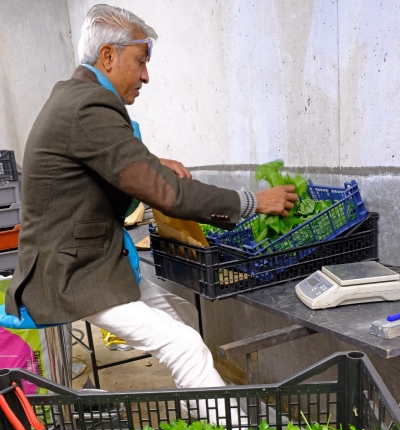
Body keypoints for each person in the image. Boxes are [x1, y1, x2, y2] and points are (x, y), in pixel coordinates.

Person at [5, 4, 297, 390]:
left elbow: (97, 157)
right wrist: (255, 202)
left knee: (180, 318)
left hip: (93, 258)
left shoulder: (75, 97)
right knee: (185, 345)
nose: (146, 76)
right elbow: (168, 194)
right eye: (141, 61)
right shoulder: (88, 106)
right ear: (108, 56)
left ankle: (204, 418)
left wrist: (152, 161)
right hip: (74, 272)